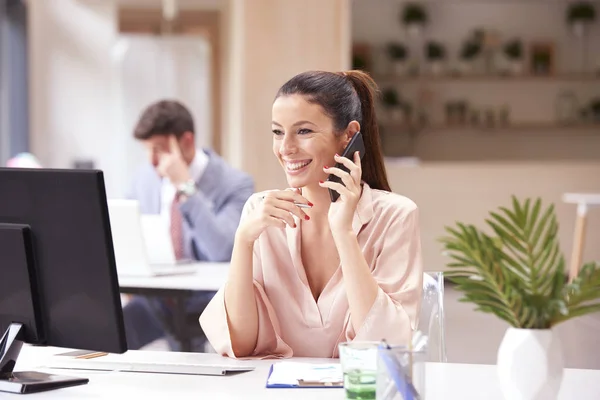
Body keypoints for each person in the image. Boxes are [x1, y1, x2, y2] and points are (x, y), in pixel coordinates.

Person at [199, 70, 423, 358]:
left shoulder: (395, 215)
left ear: (349, 136)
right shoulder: (261, 212)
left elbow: (385, 346)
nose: (286, 148)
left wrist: (344, 233)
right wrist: (243, 240)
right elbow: (241, 344)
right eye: (278, 132)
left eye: (303, 131)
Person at [123, 99, 254, 351]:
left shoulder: (235, 184)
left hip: (207, 304)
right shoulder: (144, 179)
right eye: (147, 150)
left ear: (186, 141)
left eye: (159, 150)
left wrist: (186, 187)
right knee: (110, 334)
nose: (152, 161)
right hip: (156, 301)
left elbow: (222, 251)